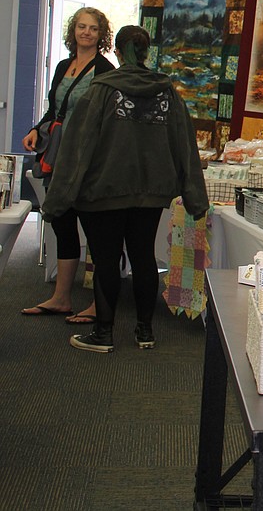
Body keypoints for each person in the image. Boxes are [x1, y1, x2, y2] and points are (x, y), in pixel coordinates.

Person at [41, 25, 209, 353]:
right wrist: (195, 198)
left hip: (104, 190)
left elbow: (78, 147)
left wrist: (57, 199)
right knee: (143, 256)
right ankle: (144, 331)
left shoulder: (101, 91)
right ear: (147, 53)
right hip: (151, 192)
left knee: (106, 261)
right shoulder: (168, 93)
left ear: (117, 52)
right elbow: (185, 145)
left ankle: (103, 334)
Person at [20, 7, 115, 323]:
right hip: (58, 157)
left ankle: (98, 303)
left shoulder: (104, 70)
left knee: (94, 229)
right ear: (73, 30)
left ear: (101, 35)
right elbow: (55, 110)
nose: (86, 32)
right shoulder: (64, 65)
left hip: (86, 159)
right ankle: (61, 298)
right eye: (81, 27)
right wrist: (37, 129)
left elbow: (107, 119)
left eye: (92, 28)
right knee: (61, 221)